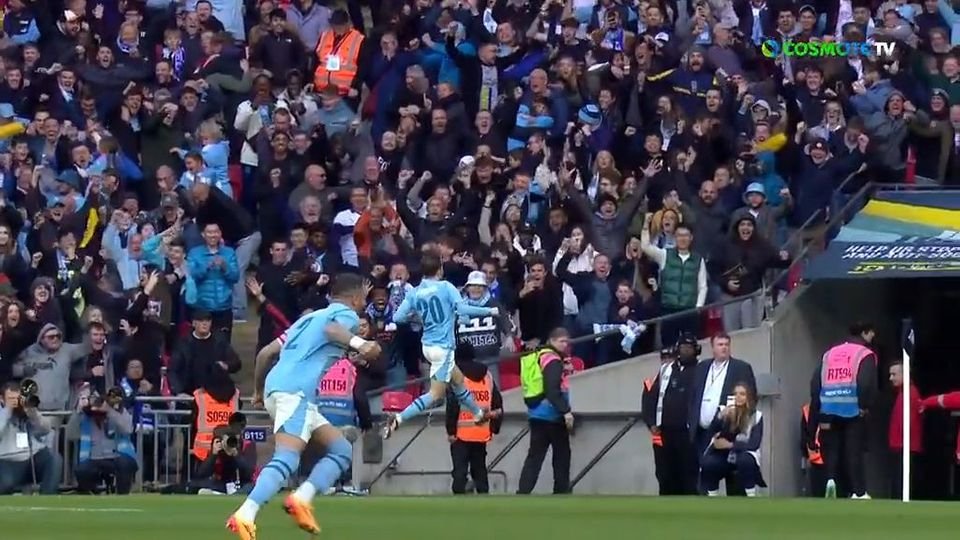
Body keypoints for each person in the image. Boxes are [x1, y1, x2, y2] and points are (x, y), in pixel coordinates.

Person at [227, 273, 380, 539]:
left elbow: (265, 353)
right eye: (363, 298)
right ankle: (245, 514)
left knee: (341, 450)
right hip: (294, 392)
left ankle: (301, 499)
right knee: (287, 457)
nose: (364, 304)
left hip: (283, 389)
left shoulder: (306, 319)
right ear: (355, 298)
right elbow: (332, 330)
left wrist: (259, 391)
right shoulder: (346, 316)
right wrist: (362, 344)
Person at [384, 251, 499, 437]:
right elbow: (462, 308)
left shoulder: (415, 292)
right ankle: (399, 418)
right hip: (442, 347)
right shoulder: (446, 287)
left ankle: (478, 413)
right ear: (440, 269)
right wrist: (489, 311)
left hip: (428, 346)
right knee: (435, 394)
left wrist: (419, 318)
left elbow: (397, 317)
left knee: (458, 381)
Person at [809, 321, 878, 499]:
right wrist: (864, 405)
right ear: (865, 333)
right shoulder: (865, 354)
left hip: (828, 406)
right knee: (853, 450)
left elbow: (816, 383)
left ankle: (831, 480)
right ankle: (858, 491)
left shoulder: (830, 353)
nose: (873, 337)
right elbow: (866, 382)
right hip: (852, 408)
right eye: (872, 333)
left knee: (832, 449)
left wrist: (816, 415)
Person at [687, 333, 757, 494]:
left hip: (729, 432)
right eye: (720, 344)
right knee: (705, 475)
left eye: (726, 344)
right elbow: (693, 396)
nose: (724, 347)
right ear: (712, 347)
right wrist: (691, 421)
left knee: (733, 475)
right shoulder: (702, 367)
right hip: (702, 431)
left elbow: (752, 397)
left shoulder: (741, 368)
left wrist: (737, 416)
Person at [517, 327, 573, 495]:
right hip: (552, 414)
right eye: (561, 341)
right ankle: (561, 490)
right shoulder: (553, 360)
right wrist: (566, 411)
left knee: (535, 456)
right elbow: (552, 390)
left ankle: (523, 491)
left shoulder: (538, 355)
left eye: (566, 342)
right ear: (552, 341)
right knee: (562, 455)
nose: (565, 345)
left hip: (536, 412)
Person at [445, 343, 503, 495]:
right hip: (481, 431)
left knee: (460, 471)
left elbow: (452, 405)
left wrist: (450, 431)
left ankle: (459, 498)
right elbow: (497, 401)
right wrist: (495, 427)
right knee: (480, 469)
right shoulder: (487, 375)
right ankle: (484, 498)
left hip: (461, 432)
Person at [641, 346, 696, 495]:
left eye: (670, 358)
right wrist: (652, 424)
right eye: (664, 358)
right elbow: (647, 405)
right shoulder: (652, 381)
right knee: (663, 471)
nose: (666, 362)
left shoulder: (684, 376)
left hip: (681, 432)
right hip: (659, 434)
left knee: (685, 469)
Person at [66, 384, 139, 494]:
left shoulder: (119, 411)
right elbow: (70, 435)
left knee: (125, 464)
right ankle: (93, 494)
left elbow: (128, 429)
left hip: (118, 455)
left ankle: (122, 495)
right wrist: (78, 412)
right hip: (93, 458)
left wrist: (109, 410)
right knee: (82, 470)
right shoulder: (85, 417)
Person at [699, 383, 766, 497]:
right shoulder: (723, 411)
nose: (738, 397)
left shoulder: (756, 416)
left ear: (748, 397)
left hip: (743, 453)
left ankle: (751, 494)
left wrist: (730, 445)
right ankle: (712, 494)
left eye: (742, 394)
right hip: (723, 454)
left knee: (745, 460)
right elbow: (710, 432)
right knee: (709, 463)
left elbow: (754, 444)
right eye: (735, 394)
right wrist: (720, 417)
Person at [0, 381, 61, 494]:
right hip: (7, 460)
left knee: (54, 459)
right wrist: (7, 411)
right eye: (11, 399)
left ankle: (47, 498)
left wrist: (33, 413)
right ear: (2, 399)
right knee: (5, 484)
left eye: (17, 399)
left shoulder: (25, 412)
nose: (15, 402)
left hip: (31, 456)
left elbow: (46, 429)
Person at [888, 361, 922, 499]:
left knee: (901, 483)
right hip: (900, 445)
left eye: (894, 374)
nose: (891, 378)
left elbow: (910, 422)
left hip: (904, 446)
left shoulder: (910, 394)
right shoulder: (902, 393)